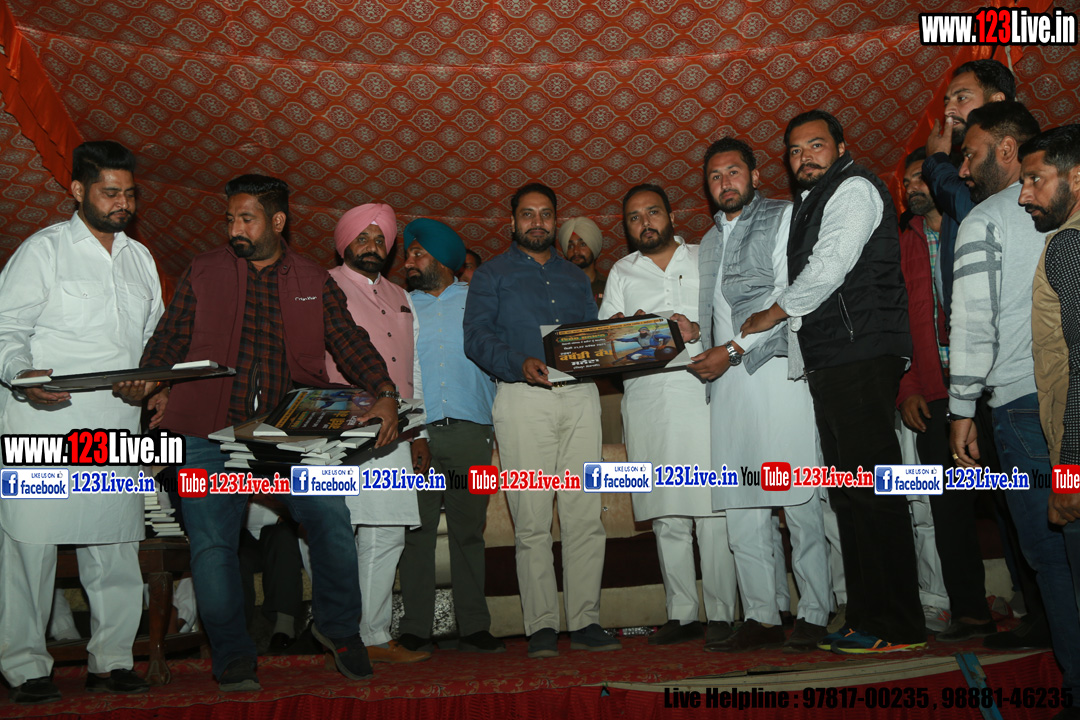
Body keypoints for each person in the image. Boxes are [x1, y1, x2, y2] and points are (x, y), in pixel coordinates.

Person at [140, 174, 401, 690]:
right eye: (230, 218)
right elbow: (169, 338)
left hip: (285, 435)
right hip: (206, 431)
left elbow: (348, 341)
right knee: (213, 544)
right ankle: (233, 656)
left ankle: (338, 629)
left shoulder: (311, 278)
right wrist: (152, 383)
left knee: (331, 518)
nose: (234, 228)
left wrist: (384, 389)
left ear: (277, 221)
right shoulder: (204, 269)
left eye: (246, 218)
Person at [742, 109, 922, 654]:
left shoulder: (854, 189)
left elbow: (829, 266)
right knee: (849, 496)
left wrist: (773, 313)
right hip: (834, 360)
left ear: (841, 147)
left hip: (862, 354)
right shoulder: (810, 201)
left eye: (816, 145)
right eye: (795, 151)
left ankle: (900, 625)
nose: (805, 158)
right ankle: (866, 617)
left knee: (875, 493)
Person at [0, 141, 161, 703]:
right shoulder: (43, 250)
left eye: (129, 194)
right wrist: (21, 373)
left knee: (114, 542)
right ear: (77, 190)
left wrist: (153, 381)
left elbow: (154, 338)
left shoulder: (141, 259)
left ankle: (111, 661)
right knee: (29, 546)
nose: (123, 204)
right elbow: (6, 328)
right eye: (110, 192)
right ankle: (26, 668)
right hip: (43, 422)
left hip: (115, 422)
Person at [947, 103, 1080, 702]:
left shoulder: (988, 220)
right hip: (1056, 405)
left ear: (1006, 148)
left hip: (1033, 411)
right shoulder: (1058, 217)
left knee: (1053, 553)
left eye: (970, 153)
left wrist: (961, 408)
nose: (964, 169)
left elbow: (973, 323)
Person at [683, 137, 831, 653]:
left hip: (777, 373)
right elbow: (711, 313)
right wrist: (699, 342)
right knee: (741, 502)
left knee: (798, 497)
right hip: (726, 386)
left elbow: (789, 295)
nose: (725, 182)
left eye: (733, 172)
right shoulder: (707, 240)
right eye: (715, 176)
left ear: (755, 175)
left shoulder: (783, 216)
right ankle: (762, 615)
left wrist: (734, 350)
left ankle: (815, 611)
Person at [463, 183, 619, 658]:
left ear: (556, 220)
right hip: (522, 398)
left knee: (584, 513)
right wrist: (518, 362)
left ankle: (586, 620)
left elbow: (591, 336)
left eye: (546, 214)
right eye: (527, 214)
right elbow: (475, 337)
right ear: (512, 222)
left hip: (580, 397)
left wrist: (614, 340)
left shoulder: (575, 277)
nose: (537, 222)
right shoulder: (491, 274)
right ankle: (542, 627)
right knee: (531, 520)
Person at [599, 183, 737, 649]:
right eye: (634, 217)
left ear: (672, 216)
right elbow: (609, 345)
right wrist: (629, 331)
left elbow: (731, 317)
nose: (645, 223)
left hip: (703, 393)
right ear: (627, 227)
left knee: (712, 510)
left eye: (652, 212)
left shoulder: (704, 256)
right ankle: (682, 614)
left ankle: (722, 613)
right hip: (647, 400)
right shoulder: (622, 271)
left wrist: (696, 330)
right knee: (666, 513)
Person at [323, 203, 429, 664]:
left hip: (395, 432)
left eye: (380, 239)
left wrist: (420, 432)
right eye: (362, 238)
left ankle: (374, 636)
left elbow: (415, 367)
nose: (371, 247)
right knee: (336, 532)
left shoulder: (401, 295)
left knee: (388, 533)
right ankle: (339, 632)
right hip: (339, 432)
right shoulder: (323, 286)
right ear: (344, 242)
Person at [897, 147, 995, 641]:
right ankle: (971, 611)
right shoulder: (902, 242)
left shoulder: (974, 223)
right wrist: (907, 387)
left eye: (921, 178)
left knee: (1011, 498)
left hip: (991, 388)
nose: (912, 188)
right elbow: (899, 322)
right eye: (906, 183)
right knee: (948, 508)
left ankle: (1040, 610)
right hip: (934, 394)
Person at [397, 218, 504, 654]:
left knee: (468, 531)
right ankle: (415, 628)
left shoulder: (479, 299)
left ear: (442, 259)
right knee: (417, 531)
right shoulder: (401, 306)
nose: (408, 262)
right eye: (409, 254)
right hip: (417, 434)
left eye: (417, 254)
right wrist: (412, 432)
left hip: (471, 431)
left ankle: (475, 626)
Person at [559, 216, 606, 306]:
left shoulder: (608, 286)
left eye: (582, 244)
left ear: (593, 247)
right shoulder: (557, 287)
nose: (576, 251)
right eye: (570, 246)